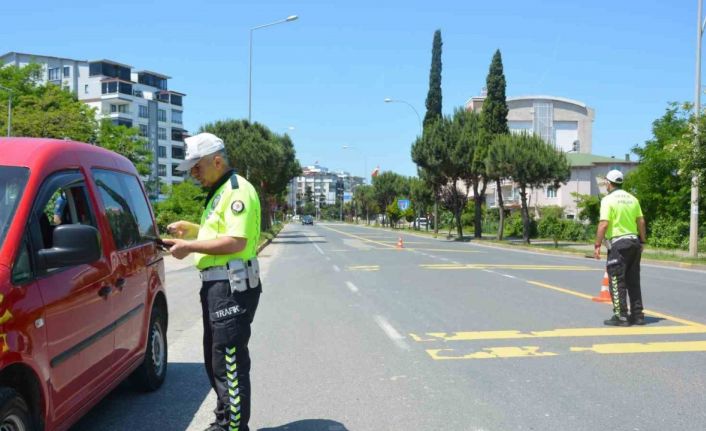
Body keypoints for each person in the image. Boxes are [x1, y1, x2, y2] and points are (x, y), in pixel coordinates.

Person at [163, 132, 262, 431]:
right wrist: (192, 230)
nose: (194, 174)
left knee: (228, 361)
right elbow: (218, 233)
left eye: (197, 167)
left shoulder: (236, 191)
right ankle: (225, 422)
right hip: (217, 286)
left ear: (216, 160)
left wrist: (190, 247)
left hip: (230, 286)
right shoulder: (219, 191)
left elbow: (235, 241)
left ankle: (231, 427)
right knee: (215, 357)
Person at [594, 169, 647, 327]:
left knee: (617, 280)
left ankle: (621, 316)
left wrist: (597, 244)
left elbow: (603, 224)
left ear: (609, 183)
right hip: (634, 243)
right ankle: (638, 315)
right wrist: (643, 241)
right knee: (633, 280)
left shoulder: (608, 200)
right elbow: (641, 222)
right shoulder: (633, 199)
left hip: (619, 245)